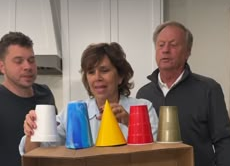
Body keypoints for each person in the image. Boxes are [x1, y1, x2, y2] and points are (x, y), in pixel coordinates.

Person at [136, 21, 230, 166]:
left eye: (173, 45)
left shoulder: (208, 89)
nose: (165, 50)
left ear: (188, 51)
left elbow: (223, 141)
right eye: (161, 45)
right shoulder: (143, 94)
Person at [20, 42, 158, 154]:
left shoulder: (142, 107)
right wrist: (32, 131)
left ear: (120, 76)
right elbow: (34, 152)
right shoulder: (73, 112)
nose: (97, 78)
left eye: (104, 70)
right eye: (91, 72)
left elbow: (157, 154)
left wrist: (130, 122)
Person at [0, 32, 56, 166]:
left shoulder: (45, 94)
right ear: (2, 66)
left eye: (31, 60)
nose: (28, 66)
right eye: (18, 61)